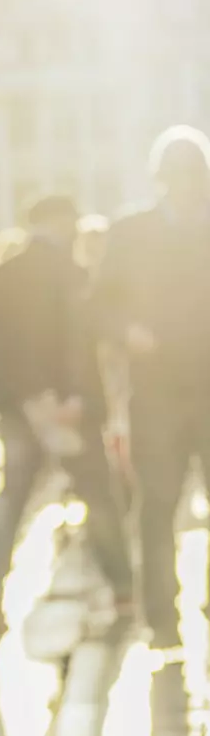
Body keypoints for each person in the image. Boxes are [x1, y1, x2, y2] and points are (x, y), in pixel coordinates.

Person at [0, 195, 134, 626]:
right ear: (61, 222)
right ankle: (122, 590)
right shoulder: (72, 274)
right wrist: (76, 397)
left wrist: (24, 393)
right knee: (97, 496)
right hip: (68, 406)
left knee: (10, 497)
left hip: (19, 405)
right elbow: (80, 342)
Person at [93, 127, 210, 645]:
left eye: (194, 176)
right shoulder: (131, 231)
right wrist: (127, 332)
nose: (186, 185)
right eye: (177, 176)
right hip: (157, 389)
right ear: (162, 179)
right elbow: (101, 303)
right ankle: (162, 617)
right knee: (157, 505)